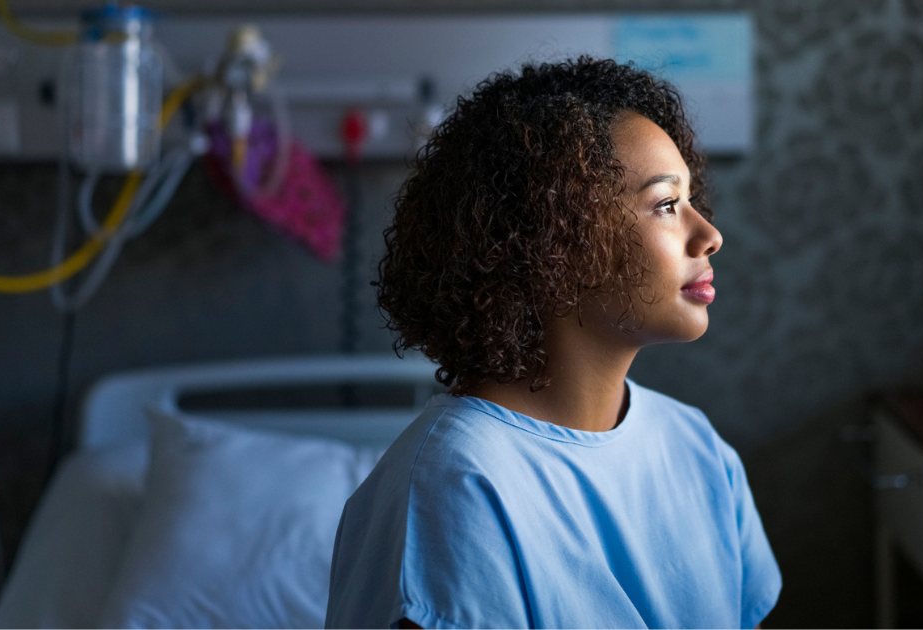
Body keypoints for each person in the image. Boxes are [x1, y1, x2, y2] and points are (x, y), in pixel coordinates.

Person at [325, 57, 781, 629]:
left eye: (692, 201)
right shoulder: (455, 490)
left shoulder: (699, 449)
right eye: (666, 205)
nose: (710, 235)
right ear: (557, 239)